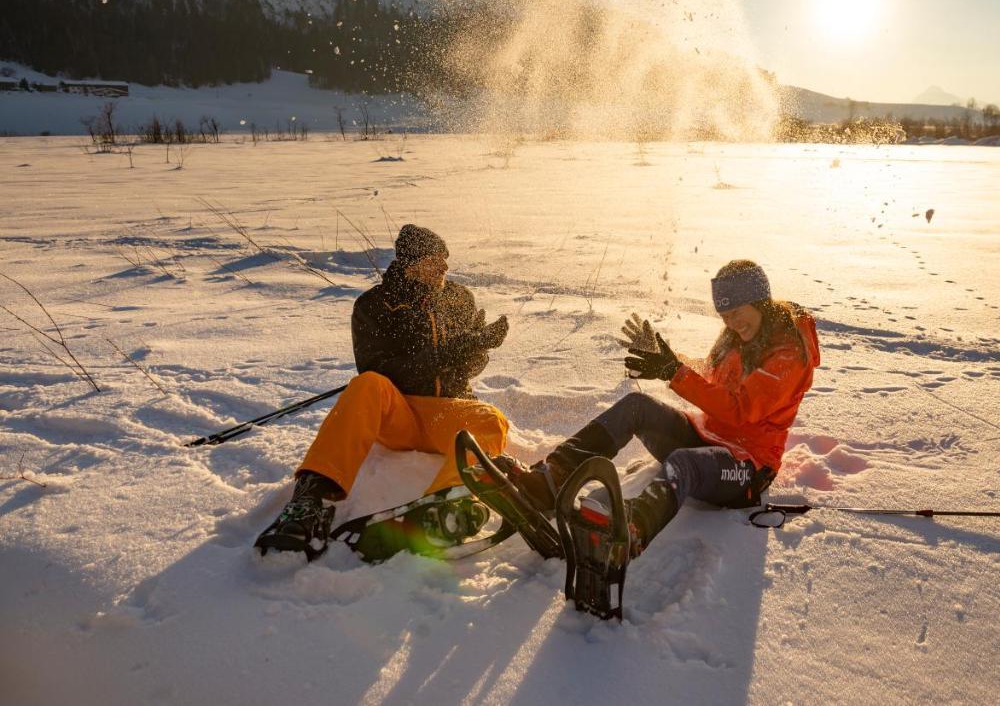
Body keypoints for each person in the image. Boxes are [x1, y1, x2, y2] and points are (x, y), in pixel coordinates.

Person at [499, 259, 820, 557]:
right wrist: (667, 360)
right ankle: (550, 482)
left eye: (737, 311)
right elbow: (710, 378)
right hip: (707, 436)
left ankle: (631, 530)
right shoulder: (735, 340)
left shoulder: (788, 352)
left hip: (748, 468)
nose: (733, 323)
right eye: (725, 316)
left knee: (685, 464)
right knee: (636, 406)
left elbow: (740, 409)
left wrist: (673, 373)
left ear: (759, 299)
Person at [255, 225, 511, 560]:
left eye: (446, 261)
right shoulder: (374, 305)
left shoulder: (459, 298)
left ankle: (447, 502)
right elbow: (381, 371)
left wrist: (477, 349)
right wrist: (450, 351)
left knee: (492, 420)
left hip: (447, 413)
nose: (445, 269)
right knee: (366, 386)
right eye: (436, 261)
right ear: (411, 264)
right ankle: (309, 501)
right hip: (398, 414)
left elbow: (470, 368)